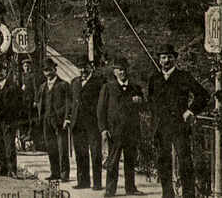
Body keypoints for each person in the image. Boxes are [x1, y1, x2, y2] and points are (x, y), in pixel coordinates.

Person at [148, 44, 210, 198]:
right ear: (159, 60)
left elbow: (203, 95)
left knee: (185, 161)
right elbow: (150, 101)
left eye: (169, 57)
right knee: (163, 161)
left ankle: (188, 195)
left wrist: (191, 111)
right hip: (161, 127)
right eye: (163, 57)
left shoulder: (184, 76)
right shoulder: (154, 78)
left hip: (179, 126)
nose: (166, 60)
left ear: (175, 59)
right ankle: (167, 194)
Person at [98, 56, 144, 196]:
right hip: (114, 131)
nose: (122, 73)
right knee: (112, 162)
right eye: (119, 70)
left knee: (130, 161)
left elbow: (145, 106)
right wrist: (104, 129)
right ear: (114, 72)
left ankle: (130, 188)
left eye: (124, 70)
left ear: (127, 71)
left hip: (131, 131)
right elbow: (101, 109)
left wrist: (140, 101)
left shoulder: (135, 88)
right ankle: (110, 190)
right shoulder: (108, 87)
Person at [68, 56, 105, 190]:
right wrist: (69, 118)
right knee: (80, 153)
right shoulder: (75, 82)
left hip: (93, 123)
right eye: (80, 67)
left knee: (95, 153)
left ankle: (97, 183)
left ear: (90, 67)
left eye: (85, 67)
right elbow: (71, 103)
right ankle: (83, 181)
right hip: (77, 124)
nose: (82, 70)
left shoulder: (99, 83)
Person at [38, 58, 71, 181]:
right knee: (51, 147)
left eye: (49, 69)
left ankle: (64, 174)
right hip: (46, 120)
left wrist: (67, 118)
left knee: (62, 148)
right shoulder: (42, 86)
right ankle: (55, 172)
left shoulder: (64, 85)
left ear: (54, 69)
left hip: (59, 120)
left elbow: (69, 103)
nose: (47, 72)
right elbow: (40, 102)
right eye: (45, 70)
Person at [0, 61, 21, 176]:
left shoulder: (12, 87)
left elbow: (18, 106)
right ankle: (3, 168)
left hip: (8, 122)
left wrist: (14, 120)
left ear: (4, 72)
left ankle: (12, 170)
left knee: (9, 146)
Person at [20, 57, 43, 150]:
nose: (26, 67)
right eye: (25, 66)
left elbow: (35, 88)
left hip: (30, 100)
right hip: (23, 100)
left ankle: (30, 135)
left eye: (28, 66)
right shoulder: (22, 75)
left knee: (30, 118)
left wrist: (35, 100)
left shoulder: (32, 76)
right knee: (23, 118)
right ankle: (23, 136)